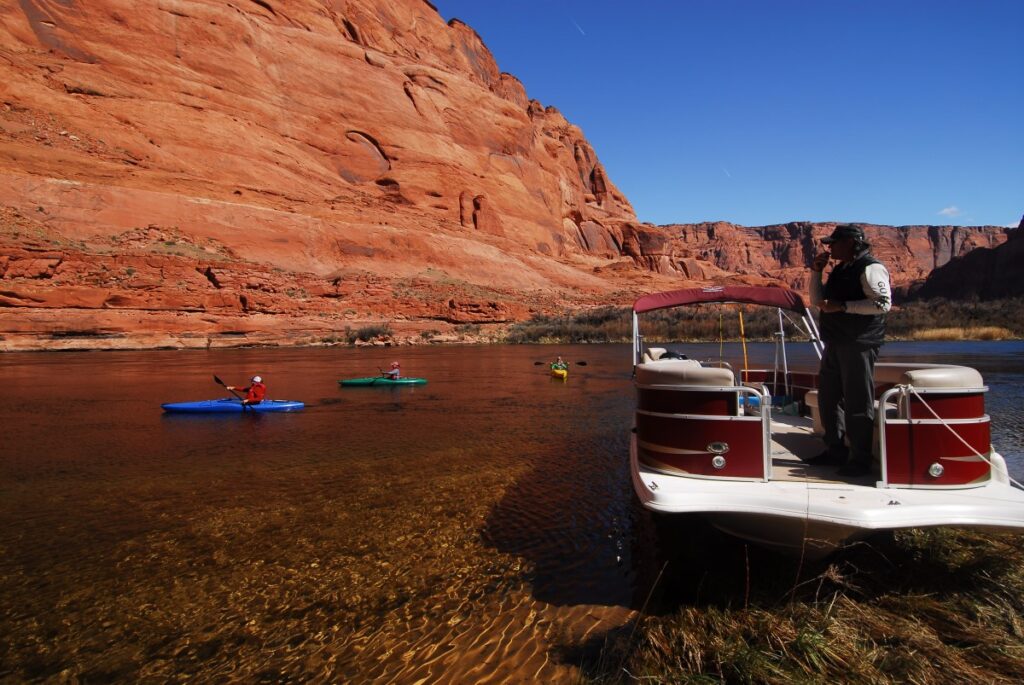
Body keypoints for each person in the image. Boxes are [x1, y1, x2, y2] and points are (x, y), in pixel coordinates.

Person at [808, 224, 891, 477]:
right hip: (835, 341)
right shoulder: (841, 269)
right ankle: (835, 449)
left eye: (834, 242)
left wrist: (843, 306)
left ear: (852, 243)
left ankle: (860, 459)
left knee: (857, 400)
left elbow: (883, 304)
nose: (830, 247)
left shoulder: (870, 267)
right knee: (828, 398)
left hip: (859, 342)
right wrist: (816, 273)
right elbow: (816, 301)